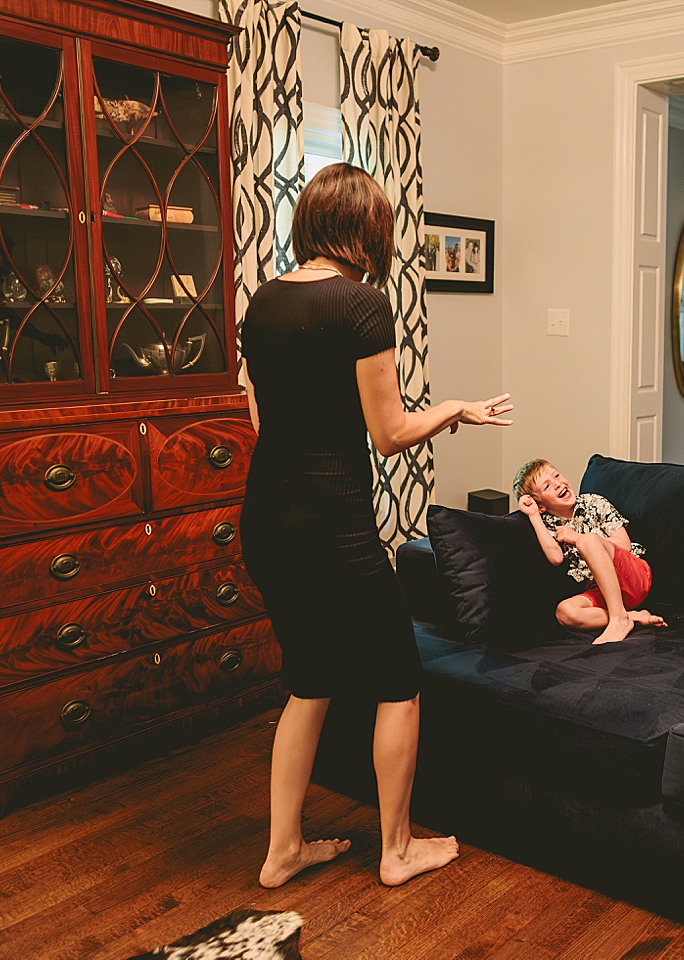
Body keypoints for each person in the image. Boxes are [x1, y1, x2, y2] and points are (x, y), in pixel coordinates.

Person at [238, 162, 514, 889]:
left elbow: (267, 417)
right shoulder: (360, 305)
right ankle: (396, 851)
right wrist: (454, 407)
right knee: (398, 679)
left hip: (266, 517)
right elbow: (388, 432)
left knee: (309, 679)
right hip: (333, 525)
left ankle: (282, 851)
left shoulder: (262, 303)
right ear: (365, 230)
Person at [512, 459, 666, 645]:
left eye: (557, 476)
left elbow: (623, 544)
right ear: (542, 505)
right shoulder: (550, 524)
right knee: (565, 611)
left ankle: (619, 620)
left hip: (633, 576)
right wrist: (534, 515)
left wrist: (577, 538)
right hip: (603, 590)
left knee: (587, 540)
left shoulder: (594, 502)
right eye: (547, 486)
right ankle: (630, 616)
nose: (558, 484)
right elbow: (555, 557)